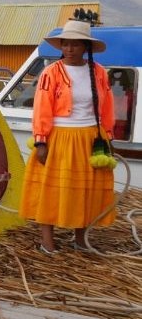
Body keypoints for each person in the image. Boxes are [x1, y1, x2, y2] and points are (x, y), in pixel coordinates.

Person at [19, 19, 116, 254]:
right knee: (52, 189)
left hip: (91, 138)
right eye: (65, 44)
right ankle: (47, 241)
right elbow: (42, 107)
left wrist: (108, 137)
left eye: (75, 44)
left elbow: (107, 107)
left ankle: (81, 239)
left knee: (84, 190)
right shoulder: (51, 73)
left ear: (86, 47)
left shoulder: (99, 73)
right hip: (60, 138)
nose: (69, 49)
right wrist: (41, 140)